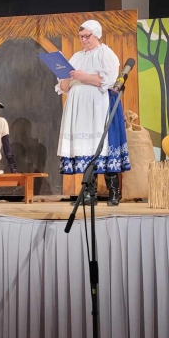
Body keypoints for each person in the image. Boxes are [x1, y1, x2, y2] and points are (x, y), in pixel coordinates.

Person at [56, 19, 130, 206]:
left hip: (99, 105)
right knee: (86, 147)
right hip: (80, 108)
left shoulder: (106, 54)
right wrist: (63, 74)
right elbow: (65, 87)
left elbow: (109, 80)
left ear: (96, 34)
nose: (83, 40)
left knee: (101, 144)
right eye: (80, 37)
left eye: (86, 36)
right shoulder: (76, 57)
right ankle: (89, 193)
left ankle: (114, 193)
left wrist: (84, 76)